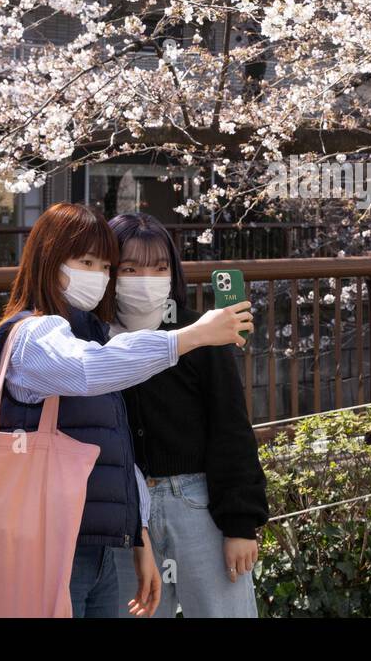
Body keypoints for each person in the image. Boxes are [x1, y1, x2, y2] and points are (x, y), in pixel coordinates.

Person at [0, 202, 252, 618]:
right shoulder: (50, 333)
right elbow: (89, 369)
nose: (99, 276)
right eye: (90, 263)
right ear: (50, 259)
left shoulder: (89, 331)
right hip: (63, 532)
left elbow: (225, 430)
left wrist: (238, 522)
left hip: (128, 523)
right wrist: (188, 338)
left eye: (105, 266)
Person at [107, 212, 268, 618]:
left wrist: (239, 525)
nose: (147, 279)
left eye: (159, 268)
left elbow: (231, 427)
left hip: (197, 502)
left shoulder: (203, 331)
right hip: (126, 512)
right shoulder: (92, 342)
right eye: (130, 268)